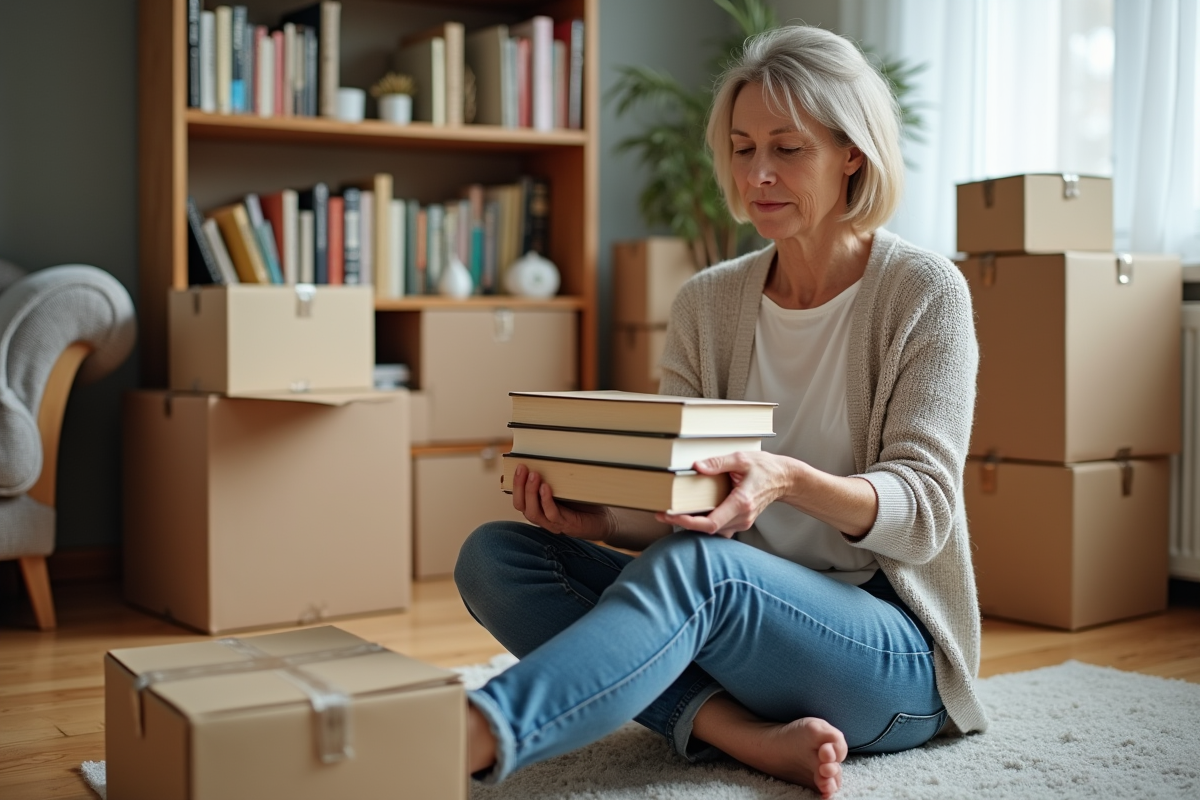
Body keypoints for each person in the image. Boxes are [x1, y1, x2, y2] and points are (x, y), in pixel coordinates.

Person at [454, 24, 987, 798]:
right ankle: (740, 734)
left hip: (887, 657)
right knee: (498, 555)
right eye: (743, 149)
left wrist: (785, 480)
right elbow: (684, 501)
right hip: (738, 620)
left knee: (699, 572)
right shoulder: (709, 301)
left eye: (787, 148)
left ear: (852, 153)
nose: (759, 173)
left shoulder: (924, 293)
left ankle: (474, 733)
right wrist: (598, 521)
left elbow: (924, 511)